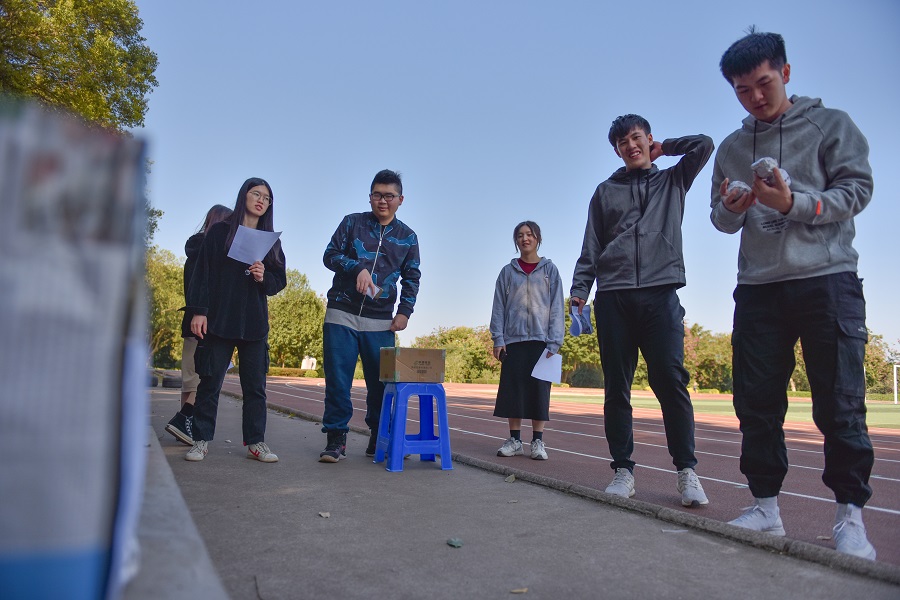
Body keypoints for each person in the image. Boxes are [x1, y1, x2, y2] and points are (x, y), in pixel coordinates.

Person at [711, 29, 876, 560]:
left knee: (840, 402)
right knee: (755, 403)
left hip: (827, 279)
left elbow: (857, 190)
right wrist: (731, 208)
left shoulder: (831, 125)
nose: (755, 97)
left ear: (785, 72)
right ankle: (765, 508)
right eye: (742, 90)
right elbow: (720, 221)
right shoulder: (732, 147)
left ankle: (850, 517)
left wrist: (793, 204)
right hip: (758, 288)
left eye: (763, 83)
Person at [571, 114, 713, 507]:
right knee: (617, 386)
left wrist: (666, 148)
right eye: (622, 143)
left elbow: (704, 144)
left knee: (670, 380)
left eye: (636, 138)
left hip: (660, 293)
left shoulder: (673, 180)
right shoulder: (605, 191)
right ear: (616, 150)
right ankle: (623, 470)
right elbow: (591, 245)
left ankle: (687, 472)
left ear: (648, 139)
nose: (630, 146)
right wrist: (580, 290)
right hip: (614, 296)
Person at [319, 169, 421, 462]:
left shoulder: (408, 237)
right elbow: (330, 255)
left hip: (381, 322)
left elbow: (412, 277)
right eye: (377, 194)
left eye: (389, 196)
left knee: (381, 385)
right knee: (338, 381)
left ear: (400, 199)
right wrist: (356, 268)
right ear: (370, 197)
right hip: (341, 313)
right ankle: (336, 440)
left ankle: (379, 438)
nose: (383, 201)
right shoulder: (352, 222)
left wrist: (405, 312)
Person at [184, 177, 286, 463]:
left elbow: (280, 281)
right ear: (244, 196)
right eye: (256, 194)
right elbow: (202, 273)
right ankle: (201, 440)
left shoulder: (272, 242)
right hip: (220, 319)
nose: (261, 200)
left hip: (254, 324)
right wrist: (199, 311)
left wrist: (264, 277)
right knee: (210, 383)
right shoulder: (220, 232)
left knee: (255, 388)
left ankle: (256, 442)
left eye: (267, 198)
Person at [490, 221, 564, 460]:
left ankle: (538, 441)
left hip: (542, 341)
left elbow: (557, 307)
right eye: (520, 235)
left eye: (530, 234)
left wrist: (555, 340)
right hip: (514, 340)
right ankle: (514, 440)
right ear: (516, 241)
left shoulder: (550, 271)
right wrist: (498, 338)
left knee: (539, 392)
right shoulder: (507, 272)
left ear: (537, 238)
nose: (525, 239)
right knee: (514, 392)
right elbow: (498, 307)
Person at [165, 204, 233, 446]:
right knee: (204, 377)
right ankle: (184, 419)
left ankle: (185, 428)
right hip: (208, 323)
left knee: (190, 377)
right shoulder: (211, 252)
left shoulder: (194, 250)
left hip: (192, 321)